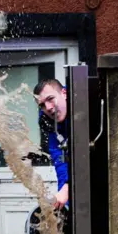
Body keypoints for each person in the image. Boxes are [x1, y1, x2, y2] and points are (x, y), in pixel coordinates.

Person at [34, 78, 69, 210]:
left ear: (64, 93)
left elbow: (86, 157)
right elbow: (60, 162)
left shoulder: (84, 110)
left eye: (50, 99)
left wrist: (67, 189)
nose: (48, 108)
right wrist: (65, 204)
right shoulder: (50, 126)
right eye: (42, 105)